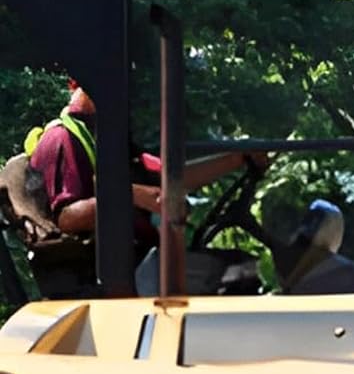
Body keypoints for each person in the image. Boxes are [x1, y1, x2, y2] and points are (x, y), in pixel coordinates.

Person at [25, 80, 263, 250]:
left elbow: (170, 178)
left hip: (146, 258)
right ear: (74, 82)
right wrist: (129, 195)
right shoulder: (60, 138)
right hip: (115, 274)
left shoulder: (108, 137)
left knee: (234, 269)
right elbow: (66, 219)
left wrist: (237, 158)